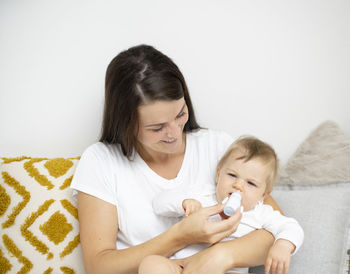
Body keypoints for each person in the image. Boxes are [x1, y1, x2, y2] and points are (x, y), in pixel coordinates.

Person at [70, 44, 283, 274]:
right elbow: (99, 266)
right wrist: (180, 236)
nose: (174, 133)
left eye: (180, 114)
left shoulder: (221, 149)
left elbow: (276, 233)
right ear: (126, 123)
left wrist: (219, 257)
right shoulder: (101, 161)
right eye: (157, 127)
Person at [139, 136, 304, 274]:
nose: (238, 185)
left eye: (251, 184)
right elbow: (159, 203)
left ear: (264, 194)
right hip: (181, 265)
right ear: (219, 173)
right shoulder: (202, 195)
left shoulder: (261, 213)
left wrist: (283, 245)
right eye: (232, 175)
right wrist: (184, 203)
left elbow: (291, 227)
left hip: (226, 270)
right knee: (151, 264)